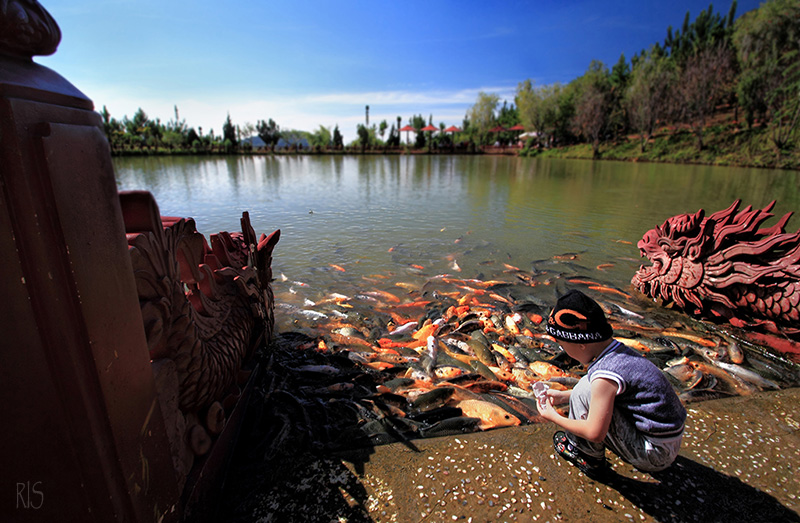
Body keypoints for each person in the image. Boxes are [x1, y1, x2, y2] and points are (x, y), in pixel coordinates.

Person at [537, 289, 687, 477]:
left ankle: (587, 456)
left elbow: (595, 433)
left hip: (655, 455)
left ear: (580, 344)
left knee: (586, 393)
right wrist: (564, 396)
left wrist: (554, 417)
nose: (563, 351)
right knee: (584, 387)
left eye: (561, 344)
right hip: (667, 440)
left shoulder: (605, 377)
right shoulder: (618, 354)